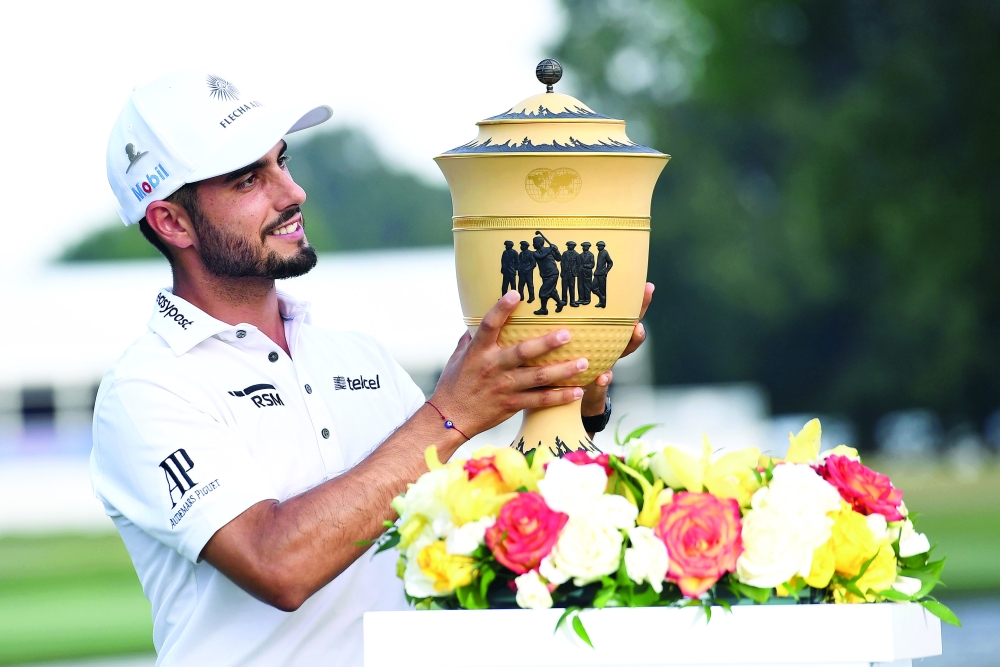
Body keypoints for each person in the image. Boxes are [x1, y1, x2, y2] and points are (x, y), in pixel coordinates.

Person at [92, 68, 652, 667]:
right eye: (248, 179)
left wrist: (572, 403)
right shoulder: (147, 388)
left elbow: (478, 513)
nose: (292, 193)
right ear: (172, 223)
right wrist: (451, 413)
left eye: (282, 161)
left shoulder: (356, 354)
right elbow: (276, 563)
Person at [531, 234, 565, 315]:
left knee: (543, 292)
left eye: (534, 243)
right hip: (544, 275)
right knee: (552, 291)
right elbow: (541, 257)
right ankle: (560, 302)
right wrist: (550, 249)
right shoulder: (535, 253)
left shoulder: (549, 249)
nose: (533, 244)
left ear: (539, 243)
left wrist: (556, 250)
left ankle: (544, 309)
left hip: (553, 274)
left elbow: (559, 258)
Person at [592, 240, 613, 308]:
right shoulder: (600, 252)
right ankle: (602, 298)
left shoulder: (605, 253)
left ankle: (602, 303)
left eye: (599, 246)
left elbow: (610, 263)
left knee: (602, 289)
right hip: (597, 273)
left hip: (602, 274)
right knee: (592, 287)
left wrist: (606, 271)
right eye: (597, 246)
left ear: (603, 246)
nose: (598, 247)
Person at [560, 240, 581, 307]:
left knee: (572, 288)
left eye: (570, 245)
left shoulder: (577, 255)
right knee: (564, 288)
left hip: (572, 274)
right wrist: (562, 271)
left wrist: (576, 272)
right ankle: (564, 301)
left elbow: (579, 265)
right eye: (568, 246)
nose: (568, 247)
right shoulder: (564, 253)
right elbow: (562, 263)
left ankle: (572, 302)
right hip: (565, 274)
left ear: (573, 246)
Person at [578, 241, 595, 305]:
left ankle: (587, 299)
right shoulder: (580, 255)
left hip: (587, 273)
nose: (584, 248)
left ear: (588, 247)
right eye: (583, 247)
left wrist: (585, 265)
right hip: (580, 273)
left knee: (587, 286)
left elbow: (592, 265)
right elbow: (578, 264)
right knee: (580, 286)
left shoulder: (591, 255)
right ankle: (581, 299)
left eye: (585, 247)